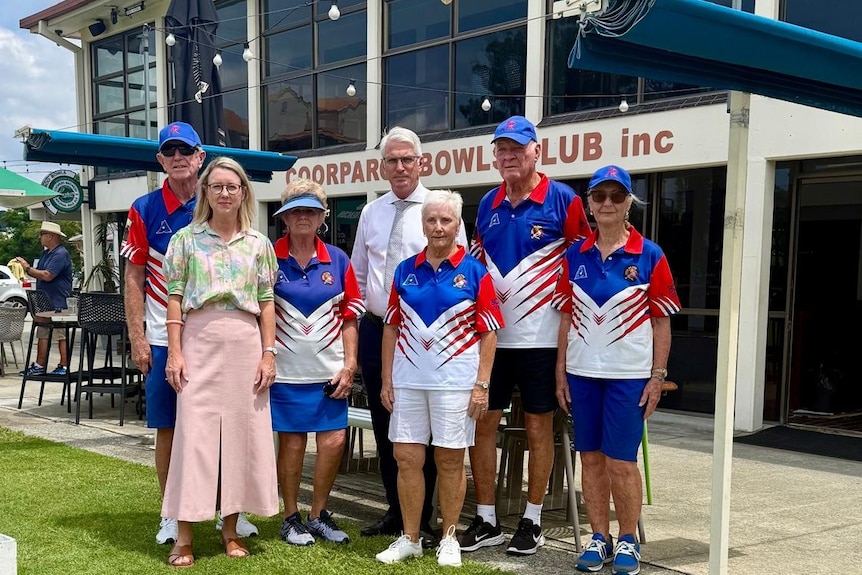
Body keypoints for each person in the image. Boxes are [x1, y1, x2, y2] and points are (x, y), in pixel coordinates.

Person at [122, 121, 258, 545]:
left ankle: (225, 512)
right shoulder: (144, 208)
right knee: (171, 428)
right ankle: (172, 512)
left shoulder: (217, 202)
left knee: (225, 426)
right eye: (170, 151)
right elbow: (133, 275)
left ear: (201, 158)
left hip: (217, 340)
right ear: (160, 159)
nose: (179, 158)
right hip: (165, 338)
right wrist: (138, 337)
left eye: (187, 151)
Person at [463, 115, 592, 556]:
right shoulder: (487, 204)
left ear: (537, 150)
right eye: (501, 149)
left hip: (542, 339)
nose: (509, 155)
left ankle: (532, 521)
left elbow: (586, 265)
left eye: (517, 147)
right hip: (493, 340)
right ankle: (485, 518)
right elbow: (478, 268)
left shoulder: (564, 200)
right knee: (482, 425)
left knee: (539, 428)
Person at [553, 165, 680, 575]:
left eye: (616, 196)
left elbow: (662, 321)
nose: (607, 203)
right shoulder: (574, 255)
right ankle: (599, 537)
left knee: (621, 461)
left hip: (628, 377)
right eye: (598, 196)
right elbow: (566, 318)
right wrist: (560, 371)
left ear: (629, 202)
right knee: (589, 458)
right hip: (581, 373)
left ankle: (628, 540)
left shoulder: (650, 255)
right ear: (588, 203)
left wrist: (657, 377)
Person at [350, 126, 468, 547]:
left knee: (433, 429)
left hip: (431, 335)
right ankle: (397, 513)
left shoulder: (440, 208)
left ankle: (429, 516)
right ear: (381, 167)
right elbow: (361, 274)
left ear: (422, 163)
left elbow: (461, 269)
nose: (399, 167)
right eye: (391, 160)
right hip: (380, 327)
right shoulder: (371, 213)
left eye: (407, 159)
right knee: (388, 425)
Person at [160, 156, 279, 567]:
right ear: (205, 192)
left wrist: (269, 352)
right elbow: (174, 299)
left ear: (244, 192)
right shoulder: (185, 240)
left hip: (246, 344)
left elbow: (266, 302)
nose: (225, 193)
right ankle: (184, 535)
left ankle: (231, 530)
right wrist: (174, 352)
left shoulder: (259, 244)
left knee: (241, 437)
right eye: (217, 186)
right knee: (193, 437)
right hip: (199, 340)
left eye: (233, 186)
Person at [374, 190, 504, 566]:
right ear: (423, 224)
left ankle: (449, 538)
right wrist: (386, 379)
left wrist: (482, 385)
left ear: (457, 225)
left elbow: (489, 332)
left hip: (456, 384)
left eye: (446, 220)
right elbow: (390, 329)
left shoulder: (476, 273)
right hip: (408, 382)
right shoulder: (405, 270)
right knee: (406, 457)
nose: (438, 227)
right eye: (431, 220)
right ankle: (411, 537)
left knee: (449, 460)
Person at [269, 179, 364, 546]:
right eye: (295, 210)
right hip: (286, 374)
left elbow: (350, 317)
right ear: (285, 218)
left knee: (334, 441)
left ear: (323, 216)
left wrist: (350, 365)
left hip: (330, 372)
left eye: (310, 210)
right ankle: (290, 517)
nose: (303, 216)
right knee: (292, 445)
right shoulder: (268, 255)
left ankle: (317, 514)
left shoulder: (338, 259)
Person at [16, 221, 73, 376]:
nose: (40, 237)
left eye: (42, 234)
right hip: (45, 302)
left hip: (58, 301)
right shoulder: (46, 253)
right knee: (42, 332)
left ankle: (64, 365)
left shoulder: (60, 253)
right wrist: (28, 270)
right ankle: (40, 364)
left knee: (61, 334)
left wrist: (27, 267)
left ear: (51, 236)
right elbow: (39, 272)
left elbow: (48, 275)